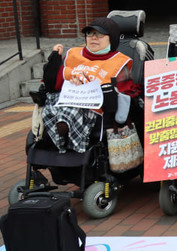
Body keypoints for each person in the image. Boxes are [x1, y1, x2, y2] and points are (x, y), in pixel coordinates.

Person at [40, 17, 139, 153]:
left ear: (112, 39)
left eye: (99, 34)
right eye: (90, 34)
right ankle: (61, 127)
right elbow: (54, 82)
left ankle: (64, 126)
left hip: (96, 111)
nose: (94, 38)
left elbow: (125, 93)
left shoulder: (121, 62)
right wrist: (67, 76)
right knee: (51, 101)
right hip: (65, 100)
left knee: (77, 108)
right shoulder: (72, 54)